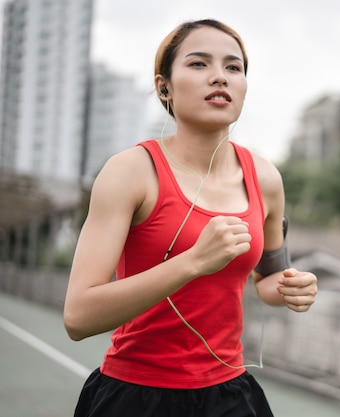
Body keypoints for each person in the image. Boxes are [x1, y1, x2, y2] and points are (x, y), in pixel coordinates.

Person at [63, 18, 318, 417]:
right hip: (136, 395)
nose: (220, 77)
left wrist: (292, 286)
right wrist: (195, 261)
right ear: (164, 86)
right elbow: (78, 317)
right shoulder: (130, 171)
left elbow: (268, 277)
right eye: (199, 64)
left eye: (233, 67)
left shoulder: (265, 178)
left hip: (230, 396)